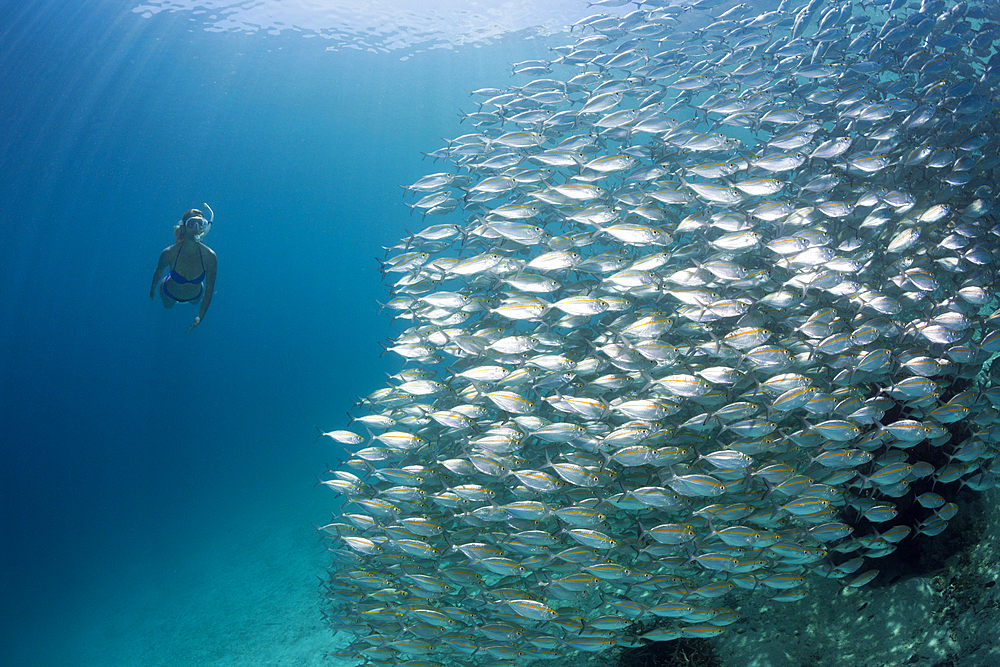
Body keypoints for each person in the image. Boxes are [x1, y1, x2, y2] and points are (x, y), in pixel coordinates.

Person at [150, 206, 218, 333]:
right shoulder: (169, 253)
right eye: (192, 224)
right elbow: (159, 271)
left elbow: (209, 289)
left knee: (193, 303)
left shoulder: (210, 257)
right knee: (168, 306)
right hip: (168, 293)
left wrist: (200, 317)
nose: (196, 229)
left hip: (196, 295)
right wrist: (153, 288)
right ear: (183, 228)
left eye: (200, 224)